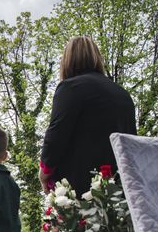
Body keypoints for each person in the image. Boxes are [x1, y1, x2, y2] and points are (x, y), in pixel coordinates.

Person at [39, 36, 137, 197]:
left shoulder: (70, 88)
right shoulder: (122, 94)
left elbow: (56, 134)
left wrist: (44, 173)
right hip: (119, 187)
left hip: (82, 188)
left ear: (67, 60)